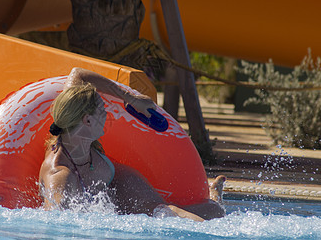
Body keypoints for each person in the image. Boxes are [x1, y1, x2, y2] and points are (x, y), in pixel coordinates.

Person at [39, 67, 226, 221]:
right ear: (87, 120)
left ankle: (214, 197)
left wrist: (131, 98)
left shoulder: (71, 118)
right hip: (107, 197)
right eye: (102, 111)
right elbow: (56, 224)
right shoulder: (60, 176)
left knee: (188, 211)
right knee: (169, 214)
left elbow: (78, 74)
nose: (107, 115)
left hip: (117, 180)